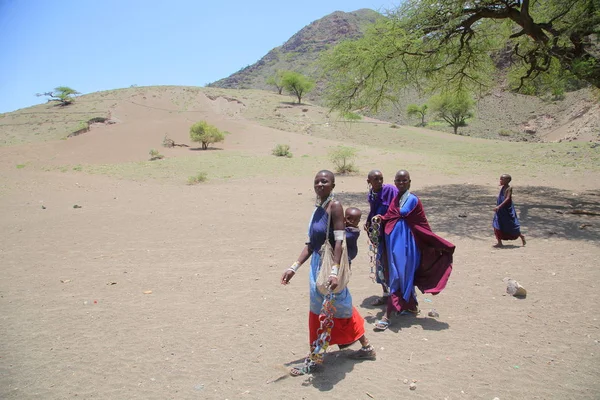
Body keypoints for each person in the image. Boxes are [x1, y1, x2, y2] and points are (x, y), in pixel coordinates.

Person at [281, 170, 376, 376]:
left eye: (324, 181)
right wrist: (293, 267)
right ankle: (366, 347)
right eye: (317, 181)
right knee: (338, 306)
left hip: (330, 265)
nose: (320, 184)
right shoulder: (318, 209)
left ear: (333, 185)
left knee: (327, 308)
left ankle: (315, 359)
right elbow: (311, 244)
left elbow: (339, 240)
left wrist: (334, 272)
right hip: (317, 264)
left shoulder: (335, 207)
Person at [374, 170, 455, 331]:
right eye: (398, 180)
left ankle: (387, 315)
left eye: (404, 180)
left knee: (398, 275)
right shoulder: (396, 199)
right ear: (395, 182)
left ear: (409, 182)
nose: (401, 183)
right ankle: (410, 306)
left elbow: (420, 224)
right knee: (401, 274)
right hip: (394, 245)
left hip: (407, 246)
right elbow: (391, 216)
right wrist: (380, 218)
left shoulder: (413, 200)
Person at [364, 170, 398, 306]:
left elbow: (396, 210)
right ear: (369, 182)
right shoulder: (371, 194)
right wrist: (368, 223)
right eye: (375, 179)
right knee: (381, 263)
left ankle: (397, 297)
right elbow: (373, 210)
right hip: (379, 234)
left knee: (394, 263)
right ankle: (385, 294)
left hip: (392, 233)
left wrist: (382, 219)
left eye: (381, 179)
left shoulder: (390, 190)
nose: (379, 181)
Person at [493, 174, 526, 247]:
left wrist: (499, 206)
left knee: (510, 225)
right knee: (497, 224)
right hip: (500, 210)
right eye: (500, 179)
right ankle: (499, 242)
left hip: (506, 210)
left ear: (507, 180)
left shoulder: (509, 188)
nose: (500, 180)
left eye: (502, 179)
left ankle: (521, 235)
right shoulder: (503, 187)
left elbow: (507, 199)